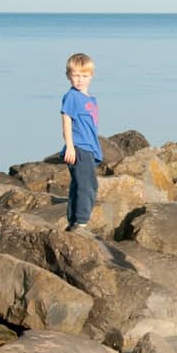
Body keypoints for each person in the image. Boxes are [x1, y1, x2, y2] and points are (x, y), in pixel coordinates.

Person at [60, 53, 102, 234]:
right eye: (76, 75)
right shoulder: (72, 97)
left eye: (84, 76)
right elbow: (66, 120)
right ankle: (81, 222)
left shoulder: (90, 99)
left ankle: (73, 221)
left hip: (89, 148)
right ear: (68, 75)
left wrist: (96, 150)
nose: (80, 80)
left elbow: (90, 127)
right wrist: (70, 146)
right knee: (88, 185)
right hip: (78, 147)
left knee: (79, 184)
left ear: (91, 76)